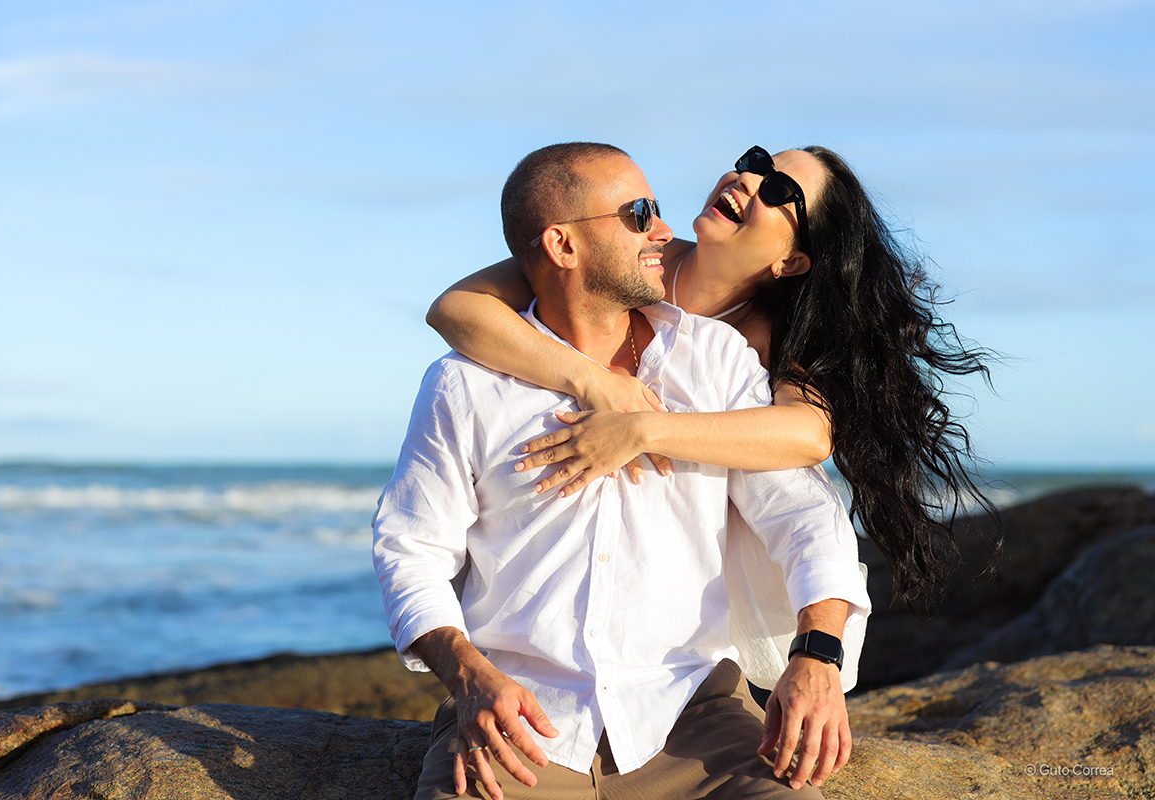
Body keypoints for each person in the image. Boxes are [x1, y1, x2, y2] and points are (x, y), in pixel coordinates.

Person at [374, 142, 871, 800]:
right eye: (640, 214)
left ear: (792, 260)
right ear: (562, 245)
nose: (663, 230)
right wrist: (467, 674)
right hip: (522, 724)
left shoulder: (723, 359)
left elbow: (803, 508)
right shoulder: (464, 384)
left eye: (658, 212)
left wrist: (817, 654)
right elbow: (410, 548)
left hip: (694, 717)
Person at [427, 144, 1000, 616]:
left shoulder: (766, 335)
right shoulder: (634, 257)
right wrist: (592, 381)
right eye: (755, 162)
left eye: (779, 190)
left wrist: (642, 429)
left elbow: (809, 434)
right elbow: (454, 308)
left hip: (703, 559)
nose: (749, 179)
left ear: (791, 262)